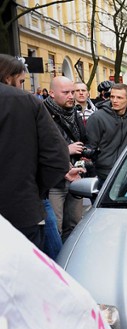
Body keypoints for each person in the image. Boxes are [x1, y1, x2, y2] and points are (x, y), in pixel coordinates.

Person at [0, 54, 71, 253]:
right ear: (8, 77)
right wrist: (34, 189)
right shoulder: (27, 102)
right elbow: (57, 158)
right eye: (21, 81)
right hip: (21, 211)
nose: (22, 86)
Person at [43, 76, 88, 242]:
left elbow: (82, 139)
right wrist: (65, 150)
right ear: (52, 93)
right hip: (54, 180)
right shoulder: (42, 113)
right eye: (66, 92)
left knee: (75, 225)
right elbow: (41, 146)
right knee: (56, 228)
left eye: (72, 92)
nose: (71, 96)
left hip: (75, 176)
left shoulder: (73, 112)